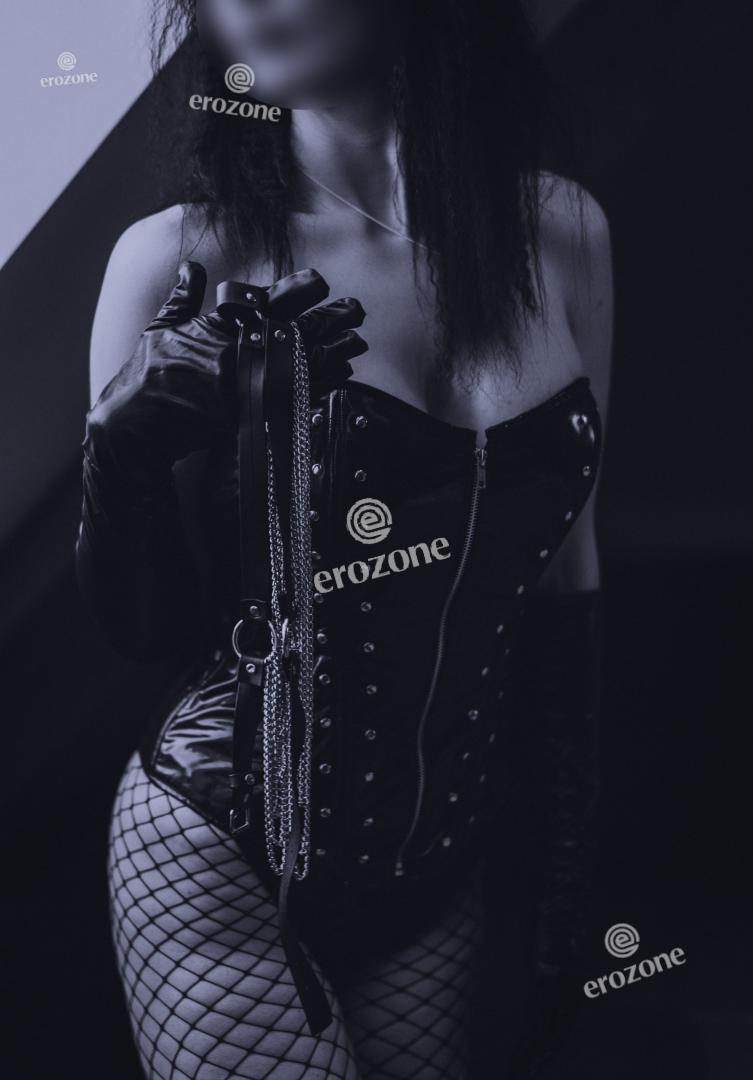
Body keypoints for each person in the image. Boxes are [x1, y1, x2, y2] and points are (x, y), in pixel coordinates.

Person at [75, 1, 613, 1077]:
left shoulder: (562, 232)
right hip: (217, 851)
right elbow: (143, 634)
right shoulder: (179, 257)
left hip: (438, 863)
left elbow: (568, 568)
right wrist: (119, 454)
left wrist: (573, 875)